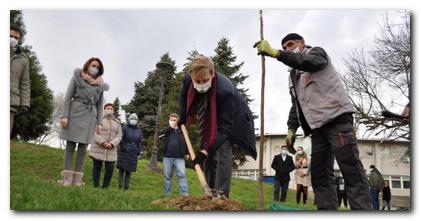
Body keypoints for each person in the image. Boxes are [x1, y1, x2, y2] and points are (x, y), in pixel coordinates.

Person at [254, 33, 372, 210]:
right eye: (284, 47)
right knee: (320, 175)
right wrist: (291, 129)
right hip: (317, 129)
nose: (287, 49)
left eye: (290, 44)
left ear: (302, 43)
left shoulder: (316, 53)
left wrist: (277, 54)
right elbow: (297, 104)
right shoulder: (293, 76)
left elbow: (306, 62)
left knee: (351, 169)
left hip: (337, 120)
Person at [179, 55, 256, 198]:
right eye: (198, 81)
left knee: (222, 151)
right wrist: (182, 116)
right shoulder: (187, 80)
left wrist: (204, 152)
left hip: (233, 121)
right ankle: (209, 191)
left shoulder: (225, 90)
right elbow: (183, 99)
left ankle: (221, 195)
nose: (201, 85)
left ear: (212, 74)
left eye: (205, 80)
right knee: (209, 154)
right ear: (191, 77)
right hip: (211, 114)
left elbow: (223, 129)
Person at [58, 57, 108, 186]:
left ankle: (77, 180)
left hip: (90, 117)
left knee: (83, 148)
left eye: (97, 67)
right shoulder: (77, 77)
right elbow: (68, 97)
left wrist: (99, 123)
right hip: (75, 113)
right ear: (87, 65)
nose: (95, 69)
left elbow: (99, 105)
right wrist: (65, 116)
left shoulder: (101, 86)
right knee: (70, 146)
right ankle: (67, 179)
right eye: (93, 65)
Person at [89, 103, 122, 188]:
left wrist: (112, 144)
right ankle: (95, 186)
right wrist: (103, 142)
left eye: (111, 108)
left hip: (111, 150)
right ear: (104, 109)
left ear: (113, 111)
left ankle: (105, 187)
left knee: (110, 169)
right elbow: (94, 133)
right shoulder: (98, 121)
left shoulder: (117, 123)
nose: (109, 110)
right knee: (96, 167)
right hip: (98, 148)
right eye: (107, 108)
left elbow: (119, 136)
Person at [159, 113, 189, 196]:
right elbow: (160, 135)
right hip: (167, 157)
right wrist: (170, 128)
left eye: (174, 120)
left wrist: (186, 153)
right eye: (171, 120)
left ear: (177, 121)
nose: (173, 121)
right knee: (167, 176)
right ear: (169, 120)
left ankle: (184, 195)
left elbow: (186, 142)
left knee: (182, 175)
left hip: (179, 157)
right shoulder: (166, 131)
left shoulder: (181, 131)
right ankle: (167, 195)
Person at [10, 26, 30, 135]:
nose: (13, 39)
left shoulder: (23, 59)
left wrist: (25, 103)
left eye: (16, 38)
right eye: (10, 36)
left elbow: (25, 83)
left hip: (10, 101)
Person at [116, 113, 142, 190]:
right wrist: (124, 147)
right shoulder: (125, 128)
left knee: (129, 170)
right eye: (132, 119)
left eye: (135, 119)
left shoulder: (138, 130)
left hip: (133, 152)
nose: (134, 120)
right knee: (121, 169)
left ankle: (126, 187)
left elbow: (140, 142)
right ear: (129, 119)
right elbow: (121, 139)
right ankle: (120, 186)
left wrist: (138, 150)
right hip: (124, 151)